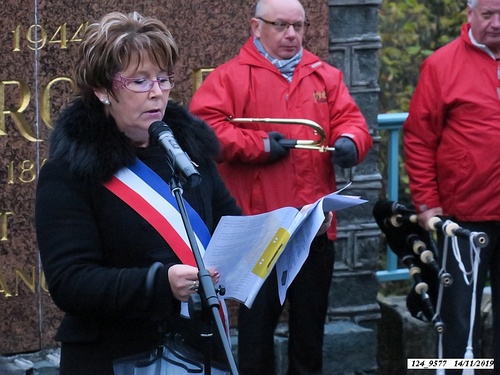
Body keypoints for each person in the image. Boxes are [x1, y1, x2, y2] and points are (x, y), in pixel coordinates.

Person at [35, 11, 242, 375]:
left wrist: (288, 232)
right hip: (114, 356)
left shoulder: (187, 152)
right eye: (139, 81)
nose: (157, 92)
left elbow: (231, 225)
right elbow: (70, 282)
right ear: (102, 90)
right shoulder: (68, 172)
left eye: (163, 79)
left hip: (198, 350)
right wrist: (157, 283)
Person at [189, 0, 373, 373]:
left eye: (298, 26)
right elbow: (205, 130)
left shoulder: (325, 75)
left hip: (313, 228)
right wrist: (259, 146)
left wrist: (351, 143)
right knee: (256, 333)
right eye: (281, 25)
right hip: (261, 228)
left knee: (310, 330)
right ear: (256, 27)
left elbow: (352, 121)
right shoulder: (229, 77)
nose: (292, 35)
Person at [403, 0, 500, 372]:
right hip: (463, 218)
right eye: (487, 14)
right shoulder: (442, 64)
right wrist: (427, 203)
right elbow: (418, 138)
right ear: (470, 14)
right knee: (459, 319)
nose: (495, 22)